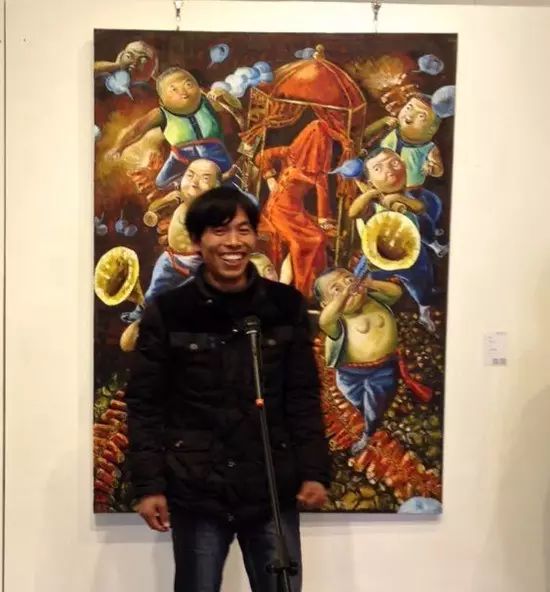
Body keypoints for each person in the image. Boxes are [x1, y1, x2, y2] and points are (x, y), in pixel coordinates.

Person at [125, 186, 330, 592]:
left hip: (270, 488)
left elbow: (303, 396)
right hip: (197, 489)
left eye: (243, 230)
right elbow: (145, 404)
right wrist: (149, 485)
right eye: (219, 231)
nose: (233, 242)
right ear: (198, 241)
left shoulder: (284, 306)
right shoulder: (169, 312)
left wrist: (314, 471)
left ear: (255, 236)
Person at [106, 67, 234, 188]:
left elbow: (235, 108)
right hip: (181, 157)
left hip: (215, 152)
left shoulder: (207, 101)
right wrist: (118, 147)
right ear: (162, 101)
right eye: (173, 90)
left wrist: (223, 98)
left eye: (188, 84)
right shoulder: (161, 114)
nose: (183, 92)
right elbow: (137, 130)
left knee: (231, 182)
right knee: (161, 183)